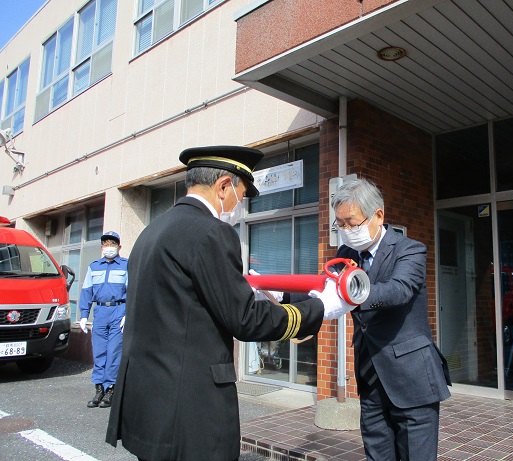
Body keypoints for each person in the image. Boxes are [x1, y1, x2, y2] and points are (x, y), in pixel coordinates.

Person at [106, 145, 354, 461]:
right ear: (224, 186)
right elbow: (246, 320)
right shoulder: (211, 232)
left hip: (149, 408)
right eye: (241, 194)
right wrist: (322, 307)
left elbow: (183, 304)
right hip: (188, 412)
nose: (240, 206)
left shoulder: (151, 232)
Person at [330, 178, 451, 461]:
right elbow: (326, 290)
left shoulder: (409, 249)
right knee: (377, 454)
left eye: (352, 223)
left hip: (411, 377)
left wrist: (350, 292)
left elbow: (399, 290)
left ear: (378, 215)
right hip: (370, 375)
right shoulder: (346, 255)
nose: (347, 231)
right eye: (341, 225)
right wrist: (282, 295)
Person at [79, 231, 128, 409]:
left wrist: (127, 313)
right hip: (100, 312)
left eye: (112, 244)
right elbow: (86, 291)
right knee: (99, 352)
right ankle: (98, 388)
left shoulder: (125, 265)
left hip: (118, 311)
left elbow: (131, 291)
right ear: (101, 247)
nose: (109, 248)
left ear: (119, 247)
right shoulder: (94, 267)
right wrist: (84, 315)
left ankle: (110, 389)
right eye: (106, 244)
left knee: (113, 352)